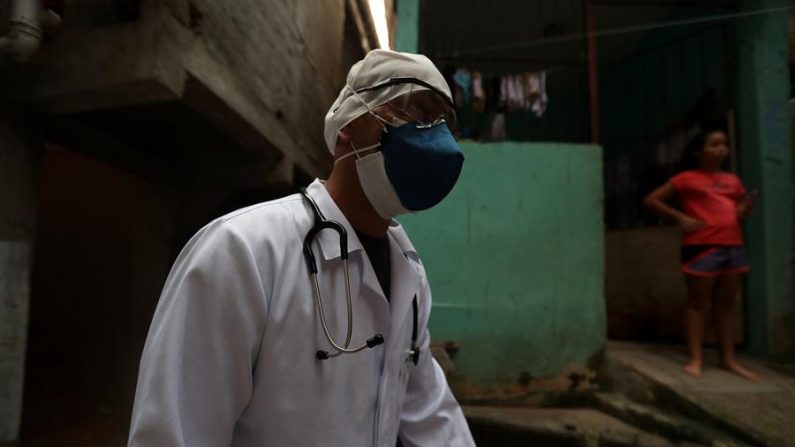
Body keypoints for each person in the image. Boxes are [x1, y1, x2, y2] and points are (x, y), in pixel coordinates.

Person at [128, 50, 476, 446]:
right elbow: (175, 433)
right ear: (348, 123)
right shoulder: (242, 251)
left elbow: (433, 417)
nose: (432, 135)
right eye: (412, 111)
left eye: (442, 122)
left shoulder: (409, 278)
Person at [643, 128, 758, 382]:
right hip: (702, 245)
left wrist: (744, 209)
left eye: (724, 144)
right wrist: (681, 218)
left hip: (733, 245)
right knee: (698, 304)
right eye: (714, 144)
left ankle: (728, 360)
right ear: (699, 151)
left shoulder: (732, 180)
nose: (721, 149)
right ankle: (696, 358)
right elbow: (651, 200)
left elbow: (737, 211)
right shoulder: (686, 178)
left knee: (726, 305)